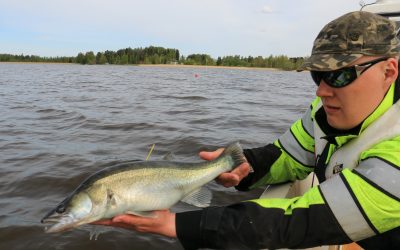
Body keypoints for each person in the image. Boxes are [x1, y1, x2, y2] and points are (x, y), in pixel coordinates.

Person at [95, 11, 400, 249]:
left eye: (339, 76)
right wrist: (245, 168)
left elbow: (303, 219)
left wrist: (177, 225)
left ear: (389, 71)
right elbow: (288, 156)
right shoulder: (325, 114)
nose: (321, 91)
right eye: (318, 75)